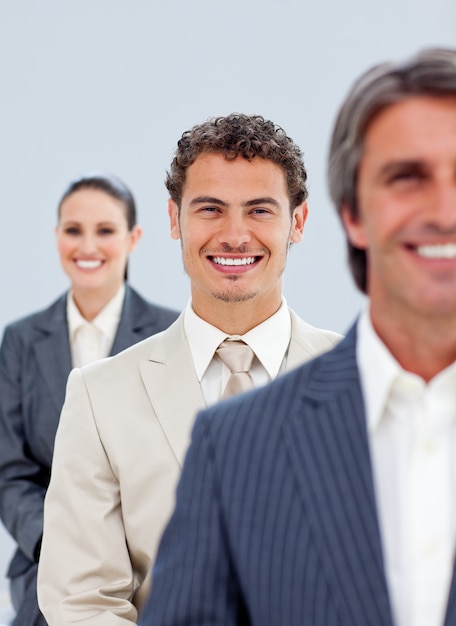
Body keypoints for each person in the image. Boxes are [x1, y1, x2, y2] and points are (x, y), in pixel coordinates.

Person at [138, 47, 456, 626]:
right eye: (407, 177)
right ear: (353, 213)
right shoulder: (234, 447)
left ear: (297, 222)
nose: (445, 209)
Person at [37, 113, 341, 625]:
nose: (235, 235)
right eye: (211, 209)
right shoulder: (99, 395)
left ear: (299, 222)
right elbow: (82, 602)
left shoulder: (362, 382)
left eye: (260, 210)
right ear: (175, 219)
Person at [0, 172, 179, 626]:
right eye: (74, 230)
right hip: (46, 551)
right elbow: (11, 471)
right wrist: (57, 541)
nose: (88, 246)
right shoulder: (21, 341)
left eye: (105, 230)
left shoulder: (171, 335)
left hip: (149, 556)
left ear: (133, 238)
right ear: (57, 237)